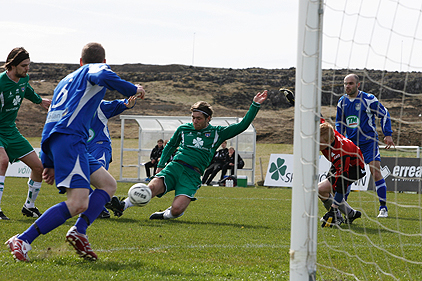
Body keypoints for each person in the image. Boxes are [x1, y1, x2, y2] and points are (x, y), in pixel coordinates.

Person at [5, 42, 145, 262]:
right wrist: (133, 89)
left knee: (108, 184)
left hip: (63, 139)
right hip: (71, 140)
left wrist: (48, 160)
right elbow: (100, 73)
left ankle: (79, 231)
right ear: (104, 62)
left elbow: (52, 118)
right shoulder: (95, 69)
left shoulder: (64, 81)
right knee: (79, 202)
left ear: (80, 61)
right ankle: (23, 239)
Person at [107, 90, 268, 219]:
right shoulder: (184, 129)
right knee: (150, 189)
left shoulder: (218, 133)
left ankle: (166, 214)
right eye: (193, 118)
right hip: (174, 167)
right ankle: (123, 205)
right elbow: (170, 146)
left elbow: (242, 125)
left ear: (208, 119)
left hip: (192, 174)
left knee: (177, 210)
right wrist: (161, 165)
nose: (195, 121)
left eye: (198, 118)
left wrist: (255, 105)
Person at [0, 47, 51, 220]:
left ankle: (29, 207)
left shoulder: (23, 79)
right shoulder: (0, 82)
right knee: (2, 162)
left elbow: (26, 89)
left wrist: (40, 101)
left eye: (28, 65)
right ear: (12, 65)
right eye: (24, 65)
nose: (27, 69)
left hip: (11, 130)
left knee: (38, 167)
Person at [336, 73, 395, 218]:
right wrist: (339, 139)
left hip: (369, 142)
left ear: (358, 85)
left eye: (350, 83)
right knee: (346, 176)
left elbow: (385, 113)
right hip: (351, 144)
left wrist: (387, 134)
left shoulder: (368, 99)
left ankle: (383, 208)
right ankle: (342, 208)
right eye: (345, 83)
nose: (347, 86)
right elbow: (339, 123)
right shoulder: (342, 102)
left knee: (375, 172)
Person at [88, 96, 138, 218]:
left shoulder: (99, 105)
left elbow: (118, 104)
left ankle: (102, 205)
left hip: (99, 147)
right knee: (75, 179)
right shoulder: (72, 106)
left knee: (97, 177)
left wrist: (128, 103)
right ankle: (104, 205)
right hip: (81, 148)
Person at [318, 122, 365, 227]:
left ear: (330, 141)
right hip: (338, 163)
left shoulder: (341, 153)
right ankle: (351, 214)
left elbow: (341, 184)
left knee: (322, 189)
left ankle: (337, 216)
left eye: (319, 142)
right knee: (324, 190)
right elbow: (319, 119)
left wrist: (334, 208)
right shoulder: (328, 132)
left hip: (354, 168)